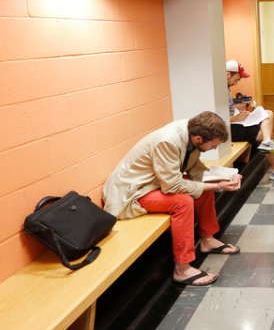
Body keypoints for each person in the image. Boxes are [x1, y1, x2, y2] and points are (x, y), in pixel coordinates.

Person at [103, 111, 241, 286]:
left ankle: (207, 240)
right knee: (183, 202)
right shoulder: (167, 141)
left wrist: (223, 179)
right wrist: (218, 186)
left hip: (156, 184)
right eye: (213, 146)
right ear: (199, 139)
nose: (214, 149)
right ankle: (182, 269)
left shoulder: (191, 133)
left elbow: (195, 169)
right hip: (132, 193)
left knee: (203, 188)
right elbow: (173, 187)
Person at [226, 60, 274, 181]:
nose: (236, 83)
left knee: (268, 113)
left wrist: (238, 109)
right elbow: (217, 120)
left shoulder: (225, 89)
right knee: (266, 132)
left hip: (237, 122)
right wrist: (235, 118)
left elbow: (227, 110)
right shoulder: (217, 91)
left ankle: (268, 143)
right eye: (236, 80)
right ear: (228, 75)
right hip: (228, 128)